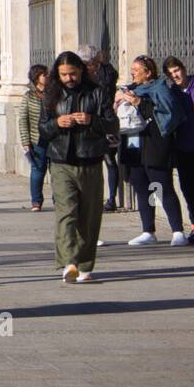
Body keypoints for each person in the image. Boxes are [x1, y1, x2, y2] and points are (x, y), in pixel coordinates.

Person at [40, 51, 118, 282]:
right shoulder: (51, 94)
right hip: (61, 162)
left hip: (90, 161)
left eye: (72, 73)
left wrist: (92, 120)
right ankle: (68, 263)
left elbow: (113, 124)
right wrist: (57, 123)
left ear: (81, 71)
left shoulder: (97, 92)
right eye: (64, 74)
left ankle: (85, 265)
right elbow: (42, 128)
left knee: (90, 216)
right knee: (66, 213)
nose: (69, 78)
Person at [116, 55, 187, 246]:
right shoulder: (130, 89)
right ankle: (148, 230)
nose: (132, 74)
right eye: (131, 70)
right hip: (133, 142)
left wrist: (140, 103)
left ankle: (177, 230)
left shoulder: (160, 88)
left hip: (155, 144)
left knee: (162, 186)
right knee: (141, 186)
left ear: (148, 72)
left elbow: (169, 115)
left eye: (136, 70)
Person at [164, 57, 194, 244]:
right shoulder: (171, 92)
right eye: (171, 74)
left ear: (183, 68)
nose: (175, 75)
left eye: (177, 71)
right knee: (188, 189)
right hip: (182, 147)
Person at [80, 45, 121, 211]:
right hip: (89, 124)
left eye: (86, 62)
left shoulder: (106, 72)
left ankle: (111, 199)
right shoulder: (83, 76)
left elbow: (106, 91)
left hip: (104, 122)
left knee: (109, 160)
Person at [18, 64, 50, 212]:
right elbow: (23, 119)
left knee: (57, 171)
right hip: (37, 139)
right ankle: (36, 201)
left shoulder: (54, 93)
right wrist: (25, 141)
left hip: (54, 137)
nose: (47, 76)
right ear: (37, 77)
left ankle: (59, 199)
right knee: (38, 169)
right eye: (44, 74)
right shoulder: (29, 96)